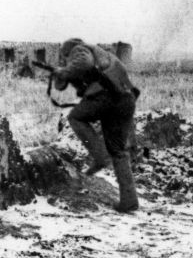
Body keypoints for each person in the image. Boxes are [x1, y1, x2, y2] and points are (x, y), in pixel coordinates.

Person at [53, 38, 140, 213]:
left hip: (107, 97)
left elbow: (82, 62)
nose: (65, 60)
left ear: (68, 52)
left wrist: (64, 70)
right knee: (118, 151)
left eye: (64, 57)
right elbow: (64, 82)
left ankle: (100, 157)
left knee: (75, 117)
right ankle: (129, 201)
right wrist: (60, 76)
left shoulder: (80, 49)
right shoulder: (105, 55)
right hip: (125, 100)